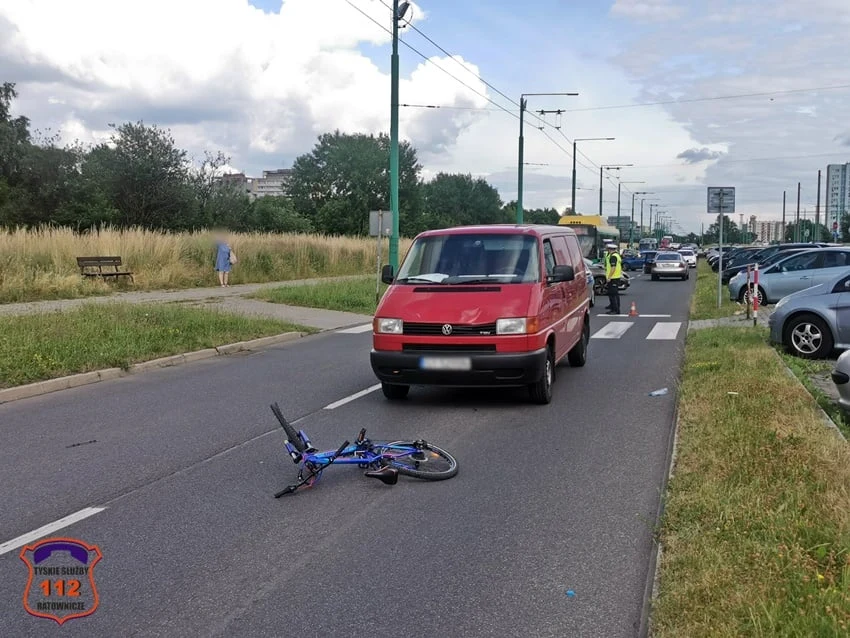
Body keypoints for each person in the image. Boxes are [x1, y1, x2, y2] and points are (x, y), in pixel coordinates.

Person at [604, 243, 622, 315]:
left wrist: (609, 277)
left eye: (608, 249)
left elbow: (613, 268)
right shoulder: (616, 255)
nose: (607, 250)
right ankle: (614, 306)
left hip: (613, 277)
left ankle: (615, 310)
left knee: (613, 294)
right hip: (616, 277)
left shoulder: (613, 257)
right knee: (615, 293)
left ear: (610, 249)